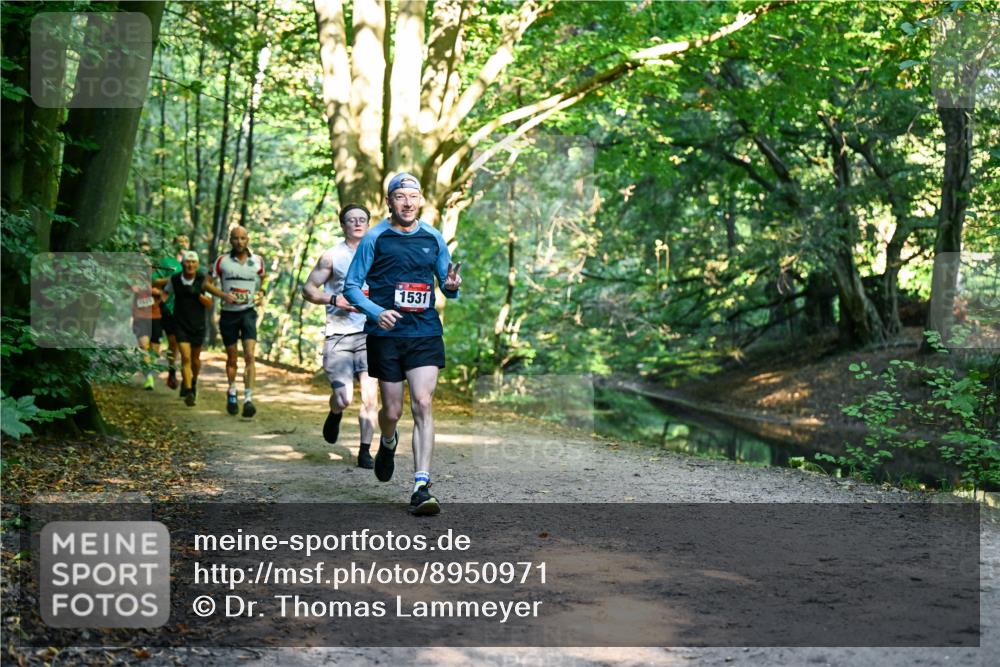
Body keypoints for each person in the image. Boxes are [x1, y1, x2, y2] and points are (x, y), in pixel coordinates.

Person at [343, 173, 462, 516]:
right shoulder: (375, 238)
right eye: (400, 197)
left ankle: (421, 486)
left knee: (423, 403)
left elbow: (447, 285)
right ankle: (388, 440)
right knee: (392, 411)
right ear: (389, 202)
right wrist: (376, 312)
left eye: (413, 196)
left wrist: (452, 285)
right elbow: (352, 286)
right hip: (387, 336)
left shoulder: (433, 237)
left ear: (421, 200)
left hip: (424, 331)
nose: (408, 203)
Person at [302, 204, 380, 468]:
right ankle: (335, 412)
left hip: (371, 333)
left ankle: (365, 450)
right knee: (344, 397)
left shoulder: (379, 253)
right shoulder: (332, 256)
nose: (357, 223)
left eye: (362, 219)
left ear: (368, 223)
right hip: (339, 334)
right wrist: (335, 298)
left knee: (370, 396)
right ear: (342, 225)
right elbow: (308, 289)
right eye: (351, 220)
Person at [154, 251, 233, 406]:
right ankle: (189, 391)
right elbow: (165, 292)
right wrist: (160, 305)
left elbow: (210, 300)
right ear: (182, 264)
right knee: (185, 357)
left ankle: (193, 382)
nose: (190, 265)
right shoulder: (175, 279)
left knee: (195, 360)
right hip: (180, 323)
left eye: (193, 262)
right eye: (187, 262)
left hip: (198, 325)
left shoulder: (202, 279)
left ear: (197, 265)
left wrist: (219, 297)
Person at [211, 226, 265, 418]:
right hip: (228, 314)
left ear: (247, 239)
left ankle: (248, 399)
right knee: (232, 357)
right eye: (236, 239)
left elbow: (263, 279)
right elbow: (207, 284)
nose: (239, 242)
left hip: (248, 312)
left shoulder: (257, 261)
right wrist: (224, 295)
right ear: (230, 240)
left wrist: (261, 293)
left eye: (243, 238)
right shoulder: (222, 261)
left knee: (250, 355)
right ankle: (232, 390)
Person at [155, 234, 187, 389]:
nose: (183, 244)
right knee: (172, 342)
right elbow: (154, 280)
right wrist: (172, 280)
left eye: (185, 241)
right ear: (174, 244)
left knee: (182, 343)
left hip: (185, 309)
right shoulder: (166, 262)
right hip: (168, 307)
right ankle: (172, 370)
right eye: (179, 241)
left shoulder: (191, 262)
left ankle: (181, 374)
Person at [132, 237, 163, 390]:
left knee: (154, 350)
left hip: (156, 315)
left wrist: (156, 291)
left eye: (146, 253)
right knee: (144, 347)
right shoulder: (133, 272)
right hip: (140, 315)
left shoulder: (158, 272)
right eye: (141, 253)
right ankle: (149, 377)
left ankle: (150, 370)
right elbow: (131, 289)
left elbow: (165, 292)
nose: (144, 256)